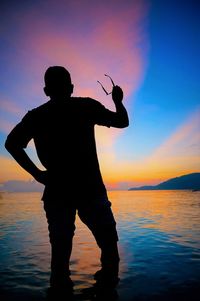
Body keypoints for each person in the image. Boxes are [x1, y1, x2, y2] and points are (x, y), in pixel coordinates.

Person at [5, 66, 129, 293]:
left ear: (45, 90)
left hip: (57, 192)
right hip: (91, 189)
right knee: (109, 246)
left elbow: (11, 144)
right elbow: (122, 121)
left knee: (60, 257)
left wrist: (37, 174)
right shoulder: (86, 106)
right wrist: (118, 100)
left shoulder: (37, 116)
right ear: (71, 87)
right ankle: (107, 290)